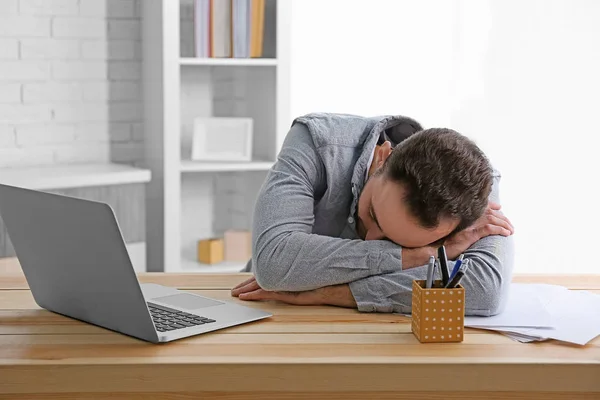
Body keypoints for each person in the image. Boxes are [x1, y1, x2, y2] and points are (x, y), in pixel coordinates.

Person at [231, 113, 514, 315]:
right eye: (373, 214)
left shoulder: (473, 189)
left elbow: (485, 290)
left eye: (399, 242)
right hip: (264, 305)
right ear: (383, 158)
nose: (373, 239)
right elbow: (274, 264)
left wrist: (333, 294)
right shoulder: (316, 142)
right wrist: (416, 256)